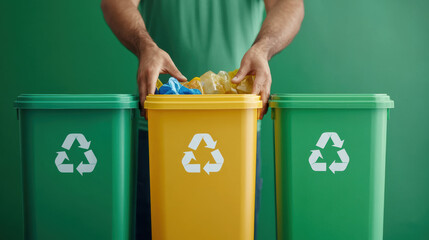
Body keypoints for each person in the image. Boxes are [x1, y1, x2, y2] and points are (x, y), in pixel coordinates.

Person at [101, 0, 304, 238]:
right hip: (162, 129)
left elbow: (288, 3)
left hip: (236, 132)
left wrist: (263, 48)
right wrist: (146, 46)